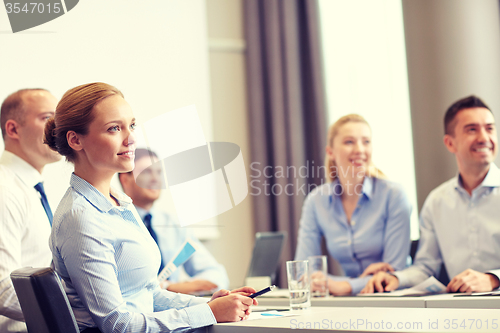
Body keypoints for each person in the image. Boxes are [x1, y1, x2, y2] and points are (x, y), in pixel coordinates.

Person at [44, 82, 256, 333]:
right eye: (114, 128)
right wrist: (207, 313)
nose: (131, 138)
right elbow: (118, 324)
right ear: (75, 140)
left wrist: (208, 305)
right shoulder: (81, 218)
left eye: (131, 125)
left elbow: (148, 294)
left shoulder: (119, 202)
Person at [361, 95, 500, 294]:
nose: (484, 138)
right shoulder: (437, 202)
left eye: (490, 128)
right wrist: (395, 278)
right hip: (459, 312)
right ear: (450, 143)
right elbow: (425, 268)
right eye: (472, 129)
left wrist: (493, 278)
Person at [294, 114, 411, 295]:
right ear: (330, 152)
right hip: (351, 301)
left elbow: (394, 271)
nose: (360, 149)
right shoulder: (316, 201)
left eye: (366, 142)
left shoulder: (394, 195)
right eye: (349, 142)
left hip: (394, 297)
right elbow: (303, 271)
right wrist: (353, 283)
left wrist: (345, 286)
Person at [118, 148, 230, 294]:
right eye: (146, 172)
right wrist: (172, 288)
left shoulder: (173, 224)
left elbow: (217, 275)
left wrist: (172, 287)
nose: (155, 179)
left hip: (175, 310)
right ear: (125, 179)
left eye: (159, 172)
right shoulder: (116, 223)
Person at [0, 89, 61, 332]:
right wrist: (79, 311)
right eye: (47, 118)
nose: (58, 128)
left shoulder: (32, 189)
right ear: (13, 129)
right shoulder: (4, 189)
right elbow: (3, 289)